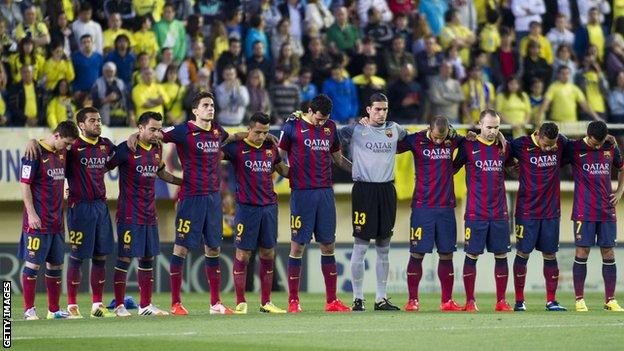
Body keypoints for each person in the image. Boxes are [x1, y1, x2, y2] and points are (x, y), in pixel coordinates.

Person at [130, 91, 246, 315]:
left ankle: (215, 303)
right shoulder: (184, 130)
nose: (210, 108)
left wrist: (244, 135)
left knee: (213, 248)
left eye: (212, 105)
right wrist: (135, 135)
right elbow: (158, 135)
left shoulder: (216, 130)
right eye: (205, 105)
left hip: (213, 198)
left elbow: (228, 138)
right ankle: (176, 303)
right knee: (181, 248)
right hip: (191, 197)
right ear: (195, 110)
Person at [278, 94, 352, 313]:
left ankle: (332, 300)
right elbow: (278, 156)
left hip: (325, 193)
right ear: (310, 111)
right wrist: (287, 174)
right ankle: (293, 301)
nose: (321, 123)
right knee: (298, 246)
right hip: (302, 193)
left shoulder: (331, 128)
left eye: (324, 119)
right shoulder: (292, 126)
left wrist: (359, 171)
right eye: (318, 118)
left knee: (328, 245)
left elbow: (338, 159)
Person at [108, 112, 182, 317]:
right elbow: (103, 168)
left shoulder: (158, 147)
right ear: (140, 128)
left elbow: (160, 172)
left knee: (147, 258)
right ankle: (120, 305)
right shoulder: (126, 148)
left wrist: (182, 182)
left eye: (159, 129)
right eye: (152, 129)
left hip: (150, 213)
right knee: (124, 258)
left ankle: (145, 305)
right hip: (129, 214)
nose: (157, 133)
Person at [340, 93, 405, 312]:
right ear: (368, 110)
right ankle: (358, 298)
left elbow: (420, 138)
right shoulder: (355, 130)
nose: (381, 113)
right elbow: (332, 137)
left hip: (387, 190)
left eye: (385, 109)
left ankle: (381, 298)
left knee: (384, 247)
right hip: (364, 191)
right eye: (377, 109)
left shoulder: (395, 129)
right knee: (360, 245)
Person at [397, 116, 467, 312]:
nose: (438, 141)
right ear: (429, 129)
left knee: (446, 254)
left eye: (442, 137)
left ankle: (447, 301)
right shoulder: (415, 140)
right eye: (436, 137)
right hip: (422, 207)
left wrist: (457, 162)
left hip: (446, 207)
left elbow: (468, 143)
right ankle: (412, 300)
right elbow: (392, 147)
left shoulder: (453, 140)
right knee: (417, 253)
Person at [222, 112, 290, 314]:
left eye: (265, 132)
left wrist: (305, 170)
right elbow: (213, 148)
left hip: (269, 207)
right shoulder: (237, 148)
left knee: (268, 252)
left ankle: (266, 302)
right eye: (257, 132)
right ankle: (241, 302)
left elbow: (283, 170)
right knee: (243, 254)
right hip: (245, 208)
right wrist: (236, 135)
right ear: (249, 129)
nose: (261, 136)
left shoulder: (271, 148)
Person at [453, 109, 514, 312]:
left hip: (499, 213)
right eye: (489, 127)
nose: (492, 131)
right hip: (475, 212)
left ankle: (501, 301)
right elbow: (451, 168)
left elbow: (516, 164)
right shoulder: (468, 145)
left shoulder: (504, 147)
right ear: (479, 124)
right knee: (471, 256)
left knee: (501, 256)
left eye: (497, 127)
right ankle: (470, 301)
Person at [19, 121, 79, 320]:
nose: (68, 148)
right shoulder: (33, 153)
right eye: (67, 143)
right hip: (37, 221)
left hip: (56, 222)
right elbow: (25, 185)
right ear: (57, 136)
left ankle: (53, 310)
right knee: (33, 265)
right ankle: (29, 310)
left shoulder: (62, 152)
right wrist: (32, 213)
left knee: (55, 265)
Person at [510, 122, 568, 312]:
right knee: (523, 253)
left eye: (552, 145)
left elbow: (584, 146)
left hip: (551, 211)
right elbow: (501, 154)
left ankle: (551, 300)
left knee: (550, 254)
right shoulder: (521, 144)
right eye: (545, 144)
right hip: (527, 211)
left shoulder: (561, 143)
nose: (548, 148)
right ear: (538, 135)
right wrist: (512, 167)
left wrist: (609, 141)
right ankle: (519, 301)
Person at [566, 121, 624, 312]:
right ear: (587, 134)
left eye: (600, 143)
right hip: (584, 211)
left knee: (608, 252)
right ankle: (579, 299)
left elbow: (622, 168)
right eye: (594, 142)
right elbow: (553, 146)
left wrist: (620, 192)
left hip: (607, 211)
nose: (598, 146)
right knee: (582, 252)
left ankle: (610, 299)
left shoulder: (610, 146)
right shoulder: (574, 148)